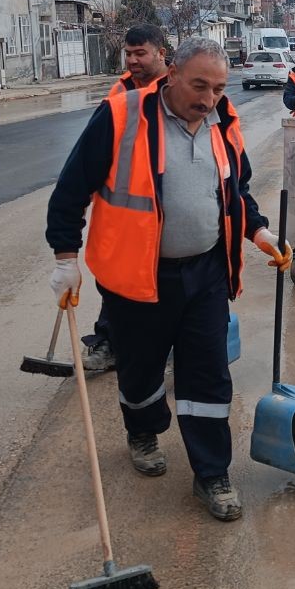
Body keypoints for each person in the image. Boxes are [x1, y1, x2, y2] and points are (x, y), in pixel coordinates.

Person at [46, 37, 291, 522]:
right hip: (138, 276)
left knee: (208, 373)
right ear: (172, 72)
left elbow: (234, 191)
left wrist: (258, 231)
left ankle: (212, 472)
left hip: (205, 273)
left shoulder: (225, 124)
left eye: (218, 88)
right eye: (199, 84)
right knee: (140, 371)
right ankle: (143, 431)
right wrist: (65, 258)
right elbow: (71, 190)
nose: (208, 97)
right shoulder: (122, 117)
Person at [82, 23, 172, 374]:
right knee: (117, 283)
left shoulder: (175, 90)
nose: (132, 60)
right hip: (125, 210)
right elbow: (94, 149)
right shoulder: (117, 93)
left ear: (161, 53)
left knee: (163, 284)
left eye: (140, 53)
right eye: (128, 53)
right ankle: (109, 342)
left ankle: (162, 346)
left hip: (166, 208)